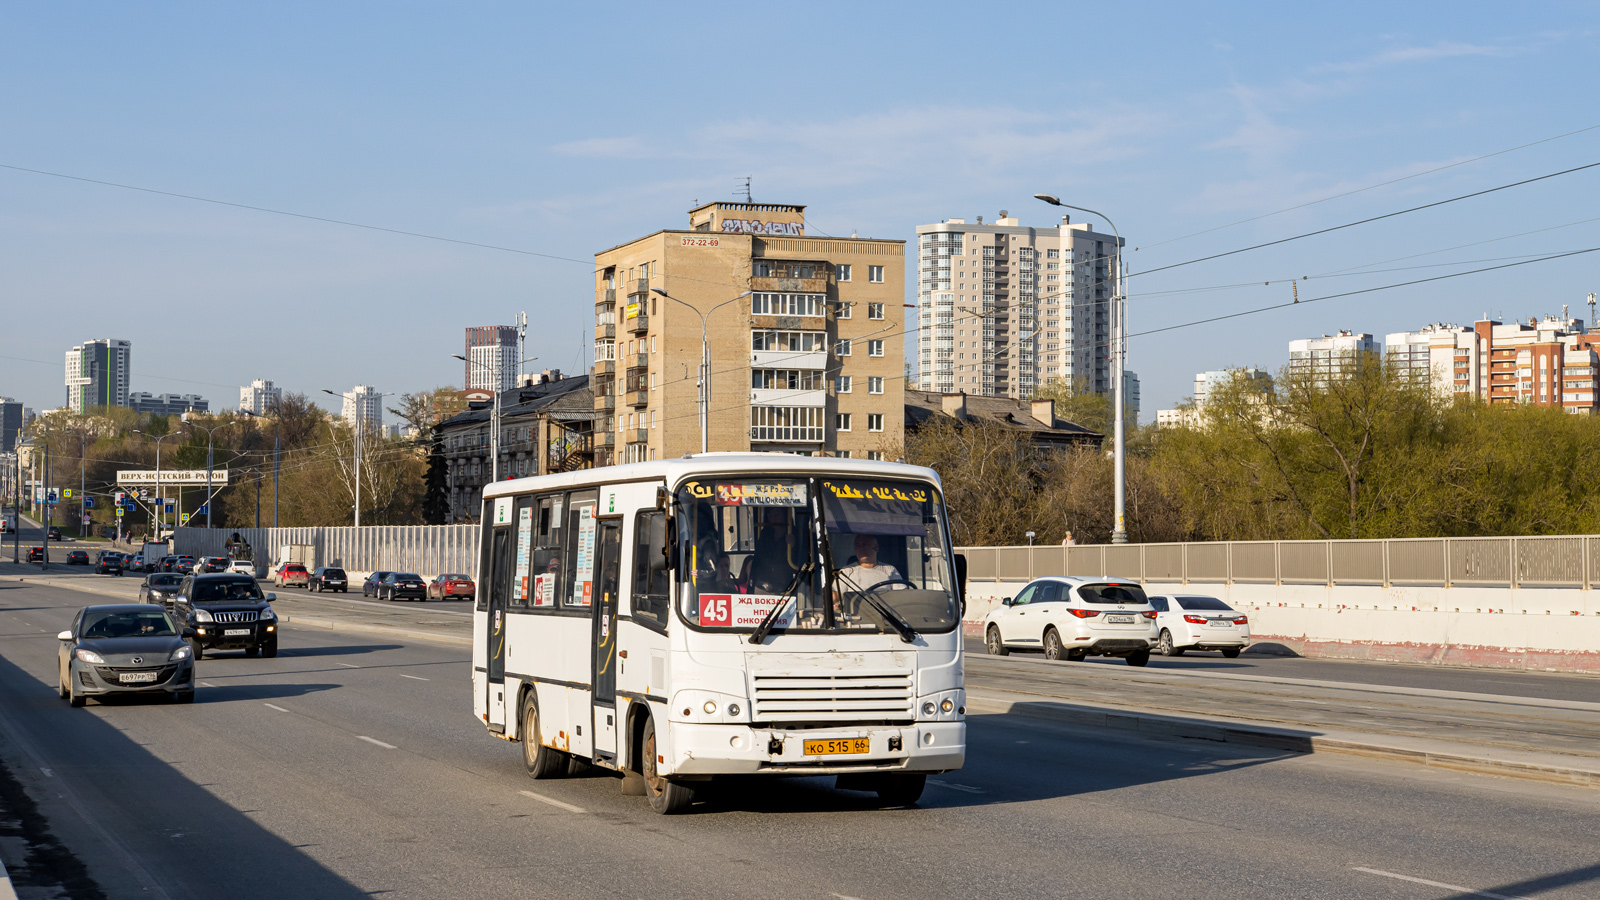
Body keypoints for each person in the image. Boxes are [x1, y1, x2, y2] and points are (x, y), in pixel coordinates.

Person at [833, 534, 904, 612]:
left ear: (876, 547)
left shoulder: (890, 570)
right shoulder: (846, 572)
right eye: (857, 545)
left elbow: (904, 596)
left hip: (887, 617)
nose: (860, 548)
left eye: (864, 544)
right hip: (856, 620)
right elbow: (835, 600)